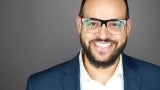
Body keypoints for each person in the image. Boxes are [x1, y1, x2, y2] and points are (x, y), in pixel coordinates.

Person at [26, 0, 160, 90]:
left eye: (115, 24)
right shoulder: (39, 85)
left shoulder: (157, 80)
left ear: (128, 27)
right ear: (79, 25)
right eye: (92, 23)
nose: (103, 35)